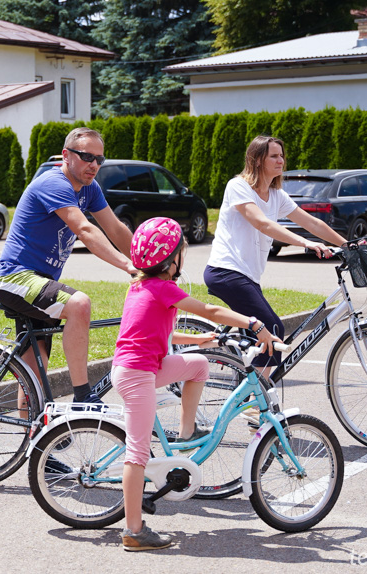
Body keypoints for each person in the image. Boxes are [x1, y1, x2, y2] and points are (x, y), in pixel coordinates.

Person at [114, 217, 279, 551]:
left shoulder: (141, 286)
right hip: (137, 374)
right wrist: (253, 322)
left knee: (198, 365)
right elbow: (212, 309)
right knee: (137, 454)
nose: (183, 258)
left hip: (144, 366)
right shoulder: (162, 288)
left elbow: (160, 333)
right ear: (170, 259)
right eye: (181, 253)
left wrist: (199, 340)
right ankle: (133, 531)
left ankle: (187, 431)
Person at [0, 127, 135, 406]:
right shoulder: (53, 183)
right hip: (17, 278)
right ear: (66, 156)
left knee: (36, 371)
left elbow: (115, 229)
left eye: (99, 159)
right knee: (79, 304)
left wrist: (150, 263)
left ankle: (33, 438)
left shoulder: (90, 189)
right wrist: (129, 266)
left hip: (40, 282)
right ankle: (83, 395)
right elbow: (85, 229)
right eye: (86, 157)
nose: (93, 165)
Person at [204, 135, 348, 370]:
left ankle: (250, 385)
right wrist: (306, 244)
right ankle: (256, 400)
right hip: (226, 271)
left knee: (257, 334)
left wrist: (347, 244)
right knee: (271, 328)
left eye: (281, 155)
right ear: (258, 159)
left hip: (248, 276)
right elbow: (263, 224)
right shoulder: (238, 186)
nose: (281, 160)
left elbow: (312, 223)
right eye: (274, 155)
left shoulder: (276, 195)